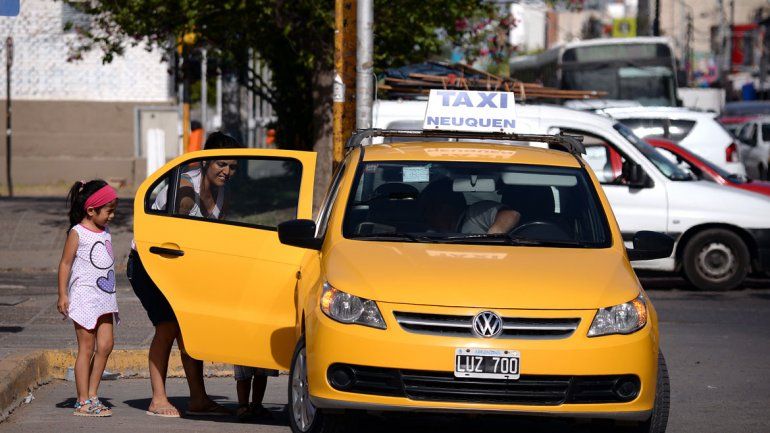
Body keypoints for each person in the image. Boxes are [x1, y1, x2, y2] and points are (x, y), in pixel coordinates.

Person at [127, 131, 243, 418]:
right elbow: (171, 229)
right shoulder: (185, 190)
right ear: (205, 162)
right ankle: (158, 399)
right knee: (167, 328)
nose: (227, 172)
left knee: (190, 330)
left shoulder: (223, 192)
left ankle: (199, 399)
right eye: (220, 165)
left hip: (183, 266)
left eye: (232, 167)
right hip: (150, 263)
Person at [57, 180, 119, 417]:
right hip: (84, 297)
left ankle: (93, 394)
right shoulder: (77, 232)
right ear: (91, 210)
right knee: (87, 347)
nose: (112, 215)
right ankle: (82, 401)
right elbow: (65, 264)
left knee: (106, 345)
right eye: (108, 211)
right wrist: (63, 294)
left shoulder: (105, 230)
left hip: (105, 296)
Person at [418, 177, 520, 234]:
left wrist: (492, 238)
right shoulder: (430, 234)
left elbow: (511, 215)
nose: (426, 216)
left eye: (430, 209)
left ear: (446, 207)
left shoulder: (475, 213)